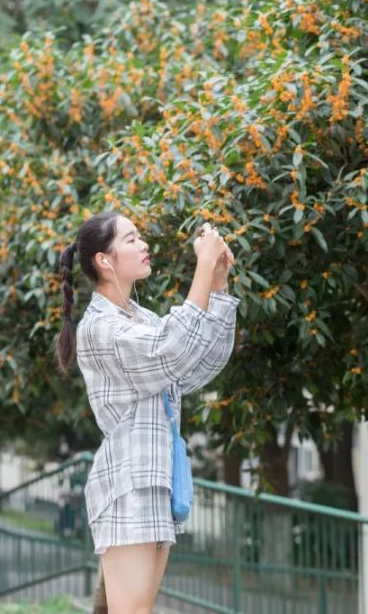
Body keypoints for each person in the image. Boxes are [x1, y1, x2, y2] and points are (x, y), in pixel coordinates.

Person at [55, 211, 238, 614]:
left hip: (157, 480)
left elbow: (197, 362)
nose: (145, 245)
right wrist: (203, 267)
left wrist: (219, 286)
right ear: (105, 259)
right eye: (132, 239)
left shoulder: (141, 320)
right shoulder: (99, 327)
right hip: (129, 481)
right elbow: (170, 349)